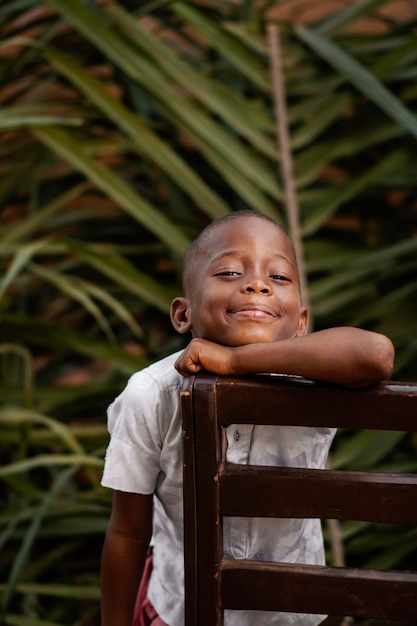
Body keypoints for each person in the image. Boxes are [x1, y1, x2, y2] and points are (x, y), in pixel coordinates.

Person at [100, 210, 394, 626]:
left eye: (278, 278)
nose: (256, 284)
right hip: (180, 611)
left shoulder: (319, 377)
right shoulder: (150, 393)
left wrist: (235, 361)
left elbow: (375, 355)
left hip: (294, 616)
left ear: (302, 324)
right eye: (229, 271)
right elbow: (128, 531)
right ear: (183, 314)